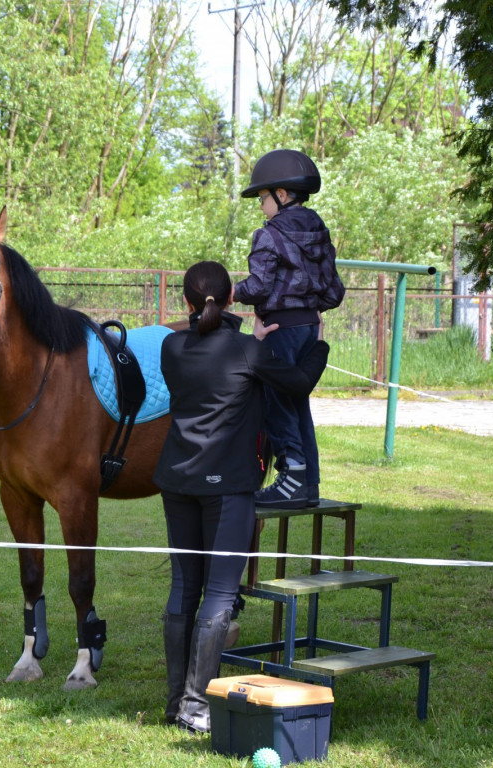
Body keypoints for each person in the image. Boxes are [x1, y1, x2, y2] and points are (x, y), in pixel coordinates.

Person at [154, 261, 329, 733]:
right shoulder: (248, 351)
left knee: (182, 588)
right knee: (219, 593)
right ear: (233, 296)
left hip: (176, 481)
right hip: (229, 486)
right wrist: (319, 346)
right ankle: (194, 705)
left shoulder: (171, 348)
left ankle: (176, 702)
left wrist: (244, 336)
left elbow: (205, 346)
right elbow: (299, 384)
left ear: (186, 302)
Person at [233, 149, 346, 509]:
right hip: (309, 329)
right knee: (298, 404)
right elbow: (334, 291)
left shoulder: (269, 235)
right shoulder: (319, 232)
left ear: (282, 195)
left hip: (279, 329)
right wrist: (309, 309)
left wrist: (228, 292)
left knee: (277, 402)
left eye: (263, 198)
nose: (262, 206)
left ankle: (291, 476)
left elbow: (259, 287)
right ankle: (308, 483)